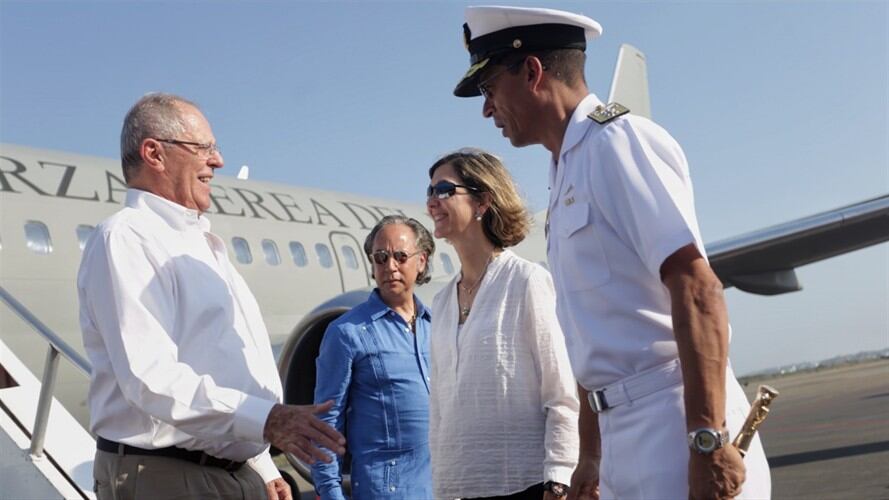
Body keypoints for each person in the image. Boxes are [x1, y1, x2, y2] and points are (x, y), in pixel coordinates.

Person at [451, 6, 771, 500]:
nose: (486, 109)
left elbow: (697, 287)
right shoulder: (565, 171)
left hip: (674, 423)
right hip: (622, 434)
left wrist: (707, 440)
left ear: (532, 72)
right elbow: (590, 337)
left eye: (490, 88)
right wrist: (592, 456)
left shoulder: (619, 143)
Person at [78, 93, 345, 500]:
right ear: (154, 153)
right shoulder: (127, 237)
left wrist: (259, 463)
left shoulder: (198, 242)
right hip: (167, 476)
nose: (217, 160)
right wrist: (268, 421)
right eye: (203, 147)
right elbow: (151, 379)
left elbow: (221, 365)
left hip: (223, 473)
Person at [426, 148, 579, 500]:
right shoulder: (442, 301)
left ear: (482, 201)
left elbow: (560, 392)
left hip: (525, 485)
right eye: (430, 191)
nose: (432, 201)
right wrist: (441, 485)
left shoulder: (526, 281)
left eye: (444, 190)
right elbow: (439, 409)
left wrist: (558, 478)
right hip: (458, 487)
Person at [311, 215, 435, 499]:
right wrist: (330, 493)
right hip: (386, 491)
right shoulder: (347, 332)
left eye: (400, 256)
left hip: (442, 486)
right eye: (381, 258)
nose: (390, 266)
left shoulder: (437, 326)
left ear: (421, 261)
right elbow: (326, 423)